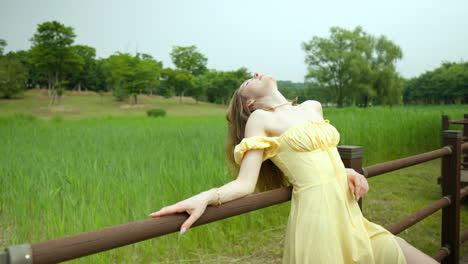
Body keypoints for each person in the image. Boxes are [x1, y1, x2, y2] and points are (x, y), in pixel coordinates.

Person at [149, 72, 438, 263]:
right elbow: (245, 184)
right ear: (248, 102)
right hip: (318, 223)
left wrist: (346, 171)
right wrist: (205, 198)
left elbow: (324, 153)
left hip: (350, 216)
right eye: (247, 81)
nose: (255, 74)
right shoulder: (260, 119)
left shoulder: (314, 106)